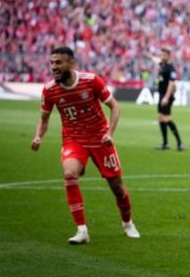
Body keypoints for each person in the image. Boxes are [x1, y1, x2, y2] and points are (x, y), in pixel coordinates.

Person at [31, 46, 140, 244]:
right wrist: (38, 136)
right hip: (74, 139)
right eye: (52, 62)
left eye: (58, 63)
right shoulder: (49, 89)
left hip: (99, 138)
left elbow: (115, 107)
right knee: (70, 173)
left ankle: (127, 222)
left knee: (117, 187)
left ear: (71, 64)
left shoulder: (91, 81)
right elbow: (44, 118)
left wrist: (109, 133)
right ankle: (82, 231)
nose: (54, 67)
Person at [149, 49, 184, 151]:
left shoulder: (171, 68)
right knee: (161, 117)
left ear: (169, 56)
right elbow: (157, 61)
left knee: (166, 118)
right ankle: (165, 143)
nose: (162, 57)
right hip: (161, 94)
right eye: (161, 55)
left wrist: (167, 97)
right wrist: (150, 56)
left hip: (166, 95)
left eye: (164, 55)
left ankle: (179, 143)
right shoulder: (163, 65)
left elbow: (171, 83)